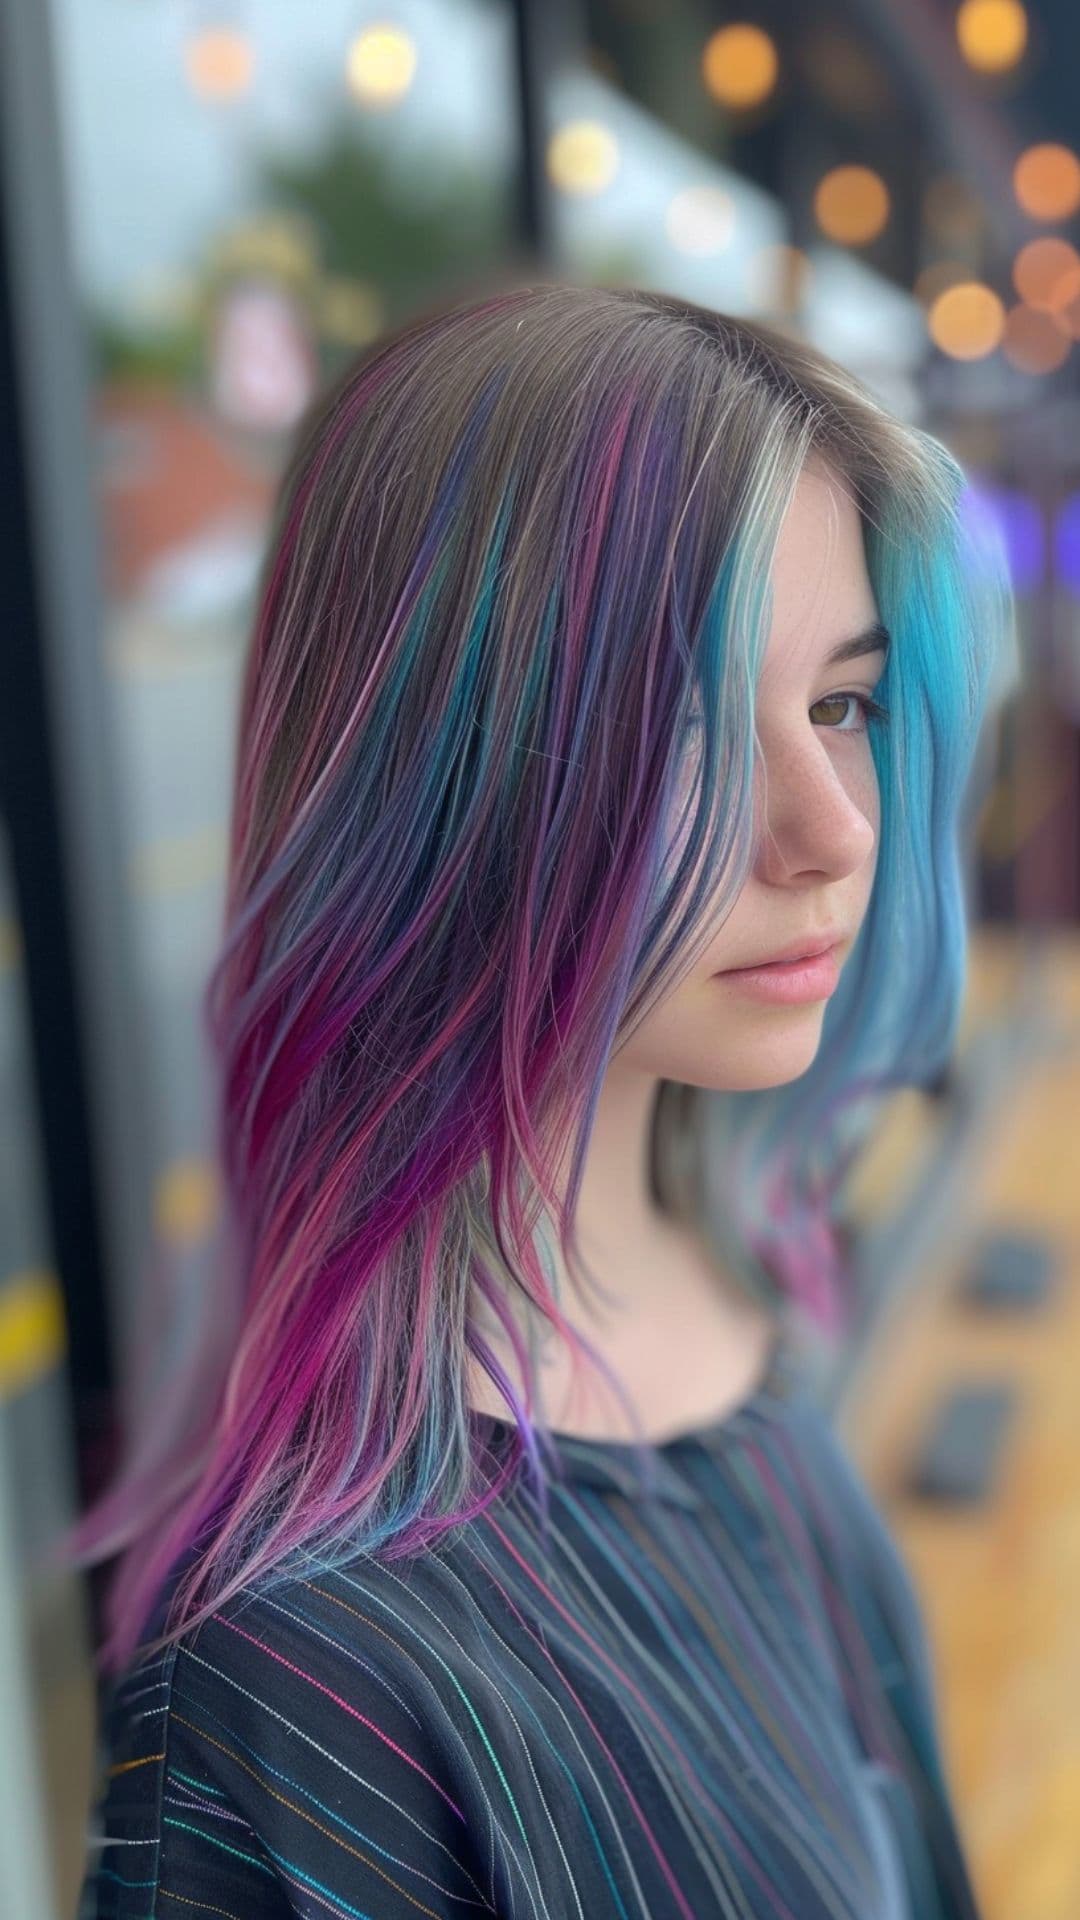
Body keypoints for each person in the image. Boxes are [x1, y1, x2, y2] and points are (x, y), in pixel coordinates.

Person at [68, 279, 1010, 1917]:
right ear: (449, 775)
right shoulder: (303, 1692)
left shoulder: (752, 1332)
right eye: (694, 726)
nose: (833, 828)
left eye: (841, 705)